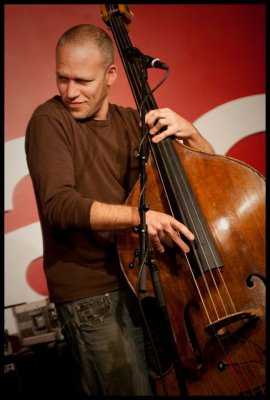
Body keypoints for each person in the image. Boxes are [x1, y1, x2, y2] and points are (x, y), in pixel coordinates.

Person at [25, 24, 215, 396]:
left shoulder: (133, 122)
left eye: (82, 80)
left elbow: (208, 178)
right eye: (62, 78)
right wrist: (140, 219)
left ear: (111, 75)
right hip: (93, 294)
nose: (70, 91)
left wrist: (191, 134)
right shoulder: (49, 120)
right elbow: (59, 206)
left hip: (147, 287)